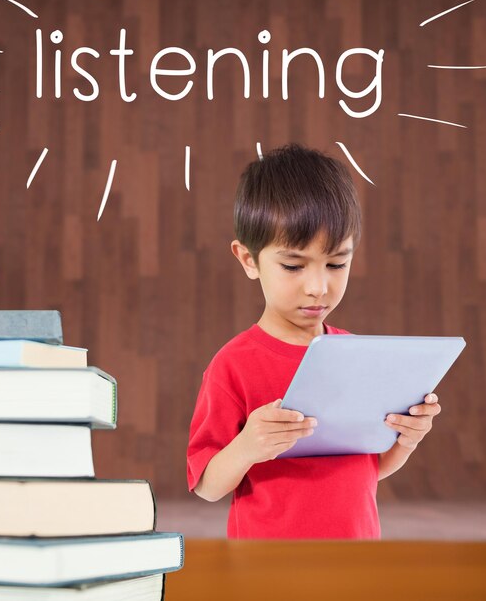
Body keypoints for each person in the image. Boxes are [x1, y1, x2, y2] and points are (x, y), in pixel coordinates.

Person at [186, 143, 442, 539]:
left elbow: (368, 469)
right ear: (248, 260)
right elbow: (207, 485)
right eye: (293, 265)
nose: (318, 287)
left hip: (356, 568)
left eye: (337, 263)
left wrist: (406, 439)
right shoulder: (232, 365)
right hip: (266, 572)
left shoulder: (357, 356)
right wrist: (248, 446)